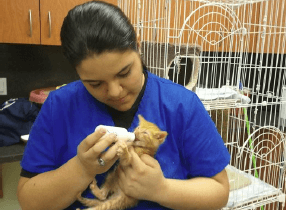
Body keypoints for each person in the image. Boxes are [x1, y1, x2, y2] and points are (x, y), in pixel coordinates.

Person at [17, 1, 230, 210]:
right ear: (77, 73)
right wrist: (82, 168)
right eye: (95, 83)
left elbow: (219, 192)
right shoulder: (59, 106)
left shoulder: (182, 105)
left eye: (124, 73)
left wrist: (161, 189)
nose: (115, 92)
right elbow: (29, 201)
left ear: (137, 45)